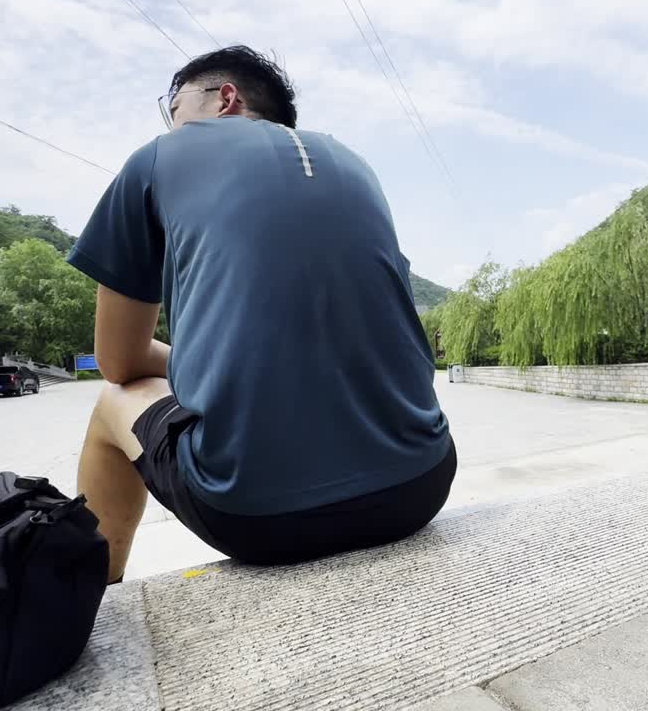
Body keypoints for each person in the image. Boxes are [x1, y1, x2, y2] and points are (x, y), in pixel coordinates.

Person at [67, 45, 455, 583]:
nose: (171, 126)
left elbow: (118, 361)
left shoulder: (158, 158)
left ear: (225, 98)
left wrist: (201, 361)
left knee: (113, 399)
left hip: (257, 519)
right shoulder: (354, 161)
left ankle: (99, 594)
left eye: (173, 109)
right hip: (421, 485)